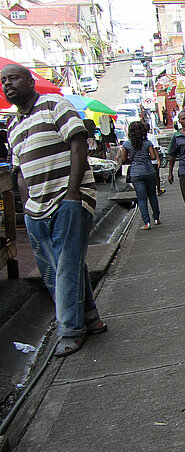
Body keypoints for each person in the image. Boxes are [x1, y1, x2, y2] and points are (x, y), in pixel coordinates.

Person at [1, 64, 107, 357]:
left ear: (30, 81)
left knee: (67, 265)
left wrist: (73, 192)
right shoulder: (13, 126)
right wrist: (27, 207)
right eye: (3, 81)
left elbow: (78, 144)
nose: (7, 84)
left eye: (13, 78)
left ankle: (70, 329)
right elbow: (20, 172)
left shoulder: (54, 105)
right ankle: (90, 318)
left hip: (69, 198)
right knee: (64, 264)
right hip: (36, 208)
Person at [122, 121, 160, 230]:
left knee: (142, 198)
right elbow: (153, 157)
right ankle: (156, 218)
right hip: (149, 171)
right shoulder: (147, 143)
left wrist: (133, 160)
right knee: (152, 195)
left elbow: (124, 159)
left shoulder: (126, 144)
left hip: (136, 173)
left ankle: (146, 222)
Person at [144, 122, 165, 195]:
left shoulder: (141, 137)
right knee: (156, 176)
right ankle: (158, 190)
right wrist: (158, 160)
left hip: (145, 161)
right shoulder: (152, 137)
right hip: (153, 161)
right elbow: (155, 148)